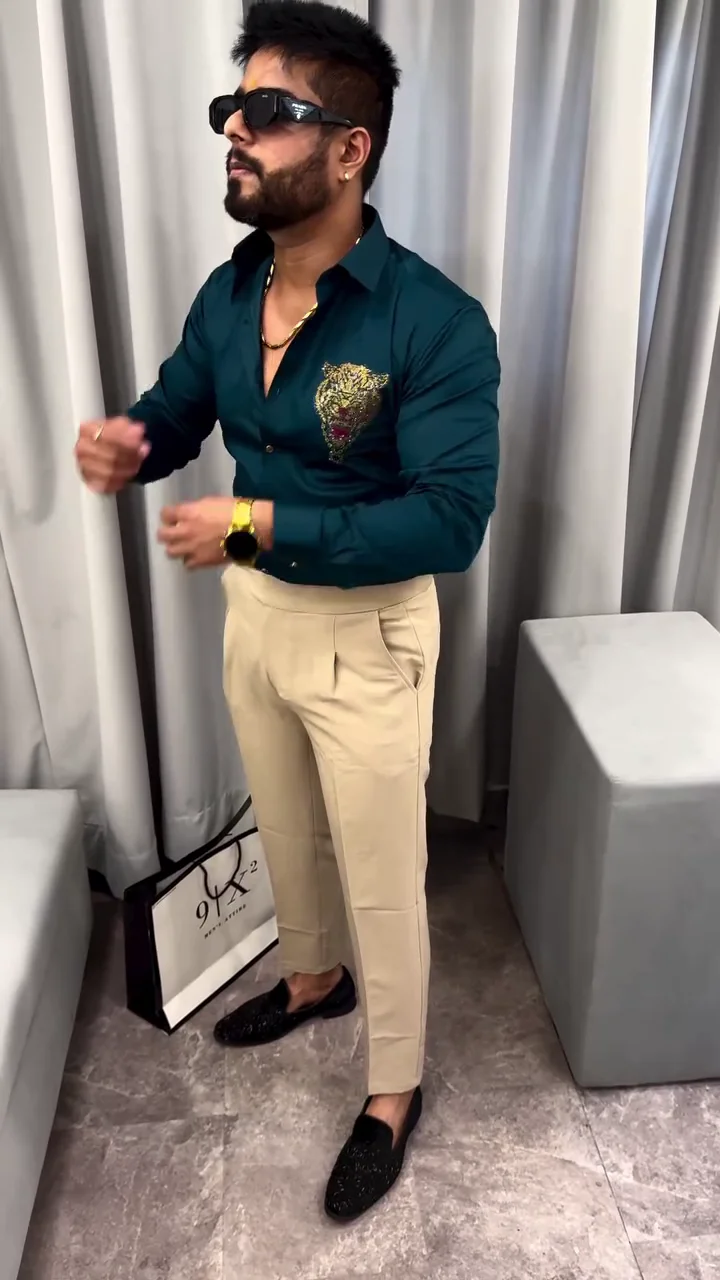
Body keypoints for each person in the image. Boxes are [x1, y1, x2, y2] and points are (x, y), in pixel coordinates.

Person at [75, 0, 500, 1221]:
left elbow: (448, 521)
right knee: (287, 827)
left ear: (350, 148)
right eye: (231, 108)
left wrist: (254, 522)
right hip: (255, 618)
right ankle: (314, 978)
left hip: (371, 632)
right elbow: (181, 403)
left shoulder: (434, 322)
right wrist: (136, 440)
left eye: (267, 111)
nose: (233, 131)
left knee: (383, 870)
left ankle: (393, 1087)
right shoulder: (232, 289)